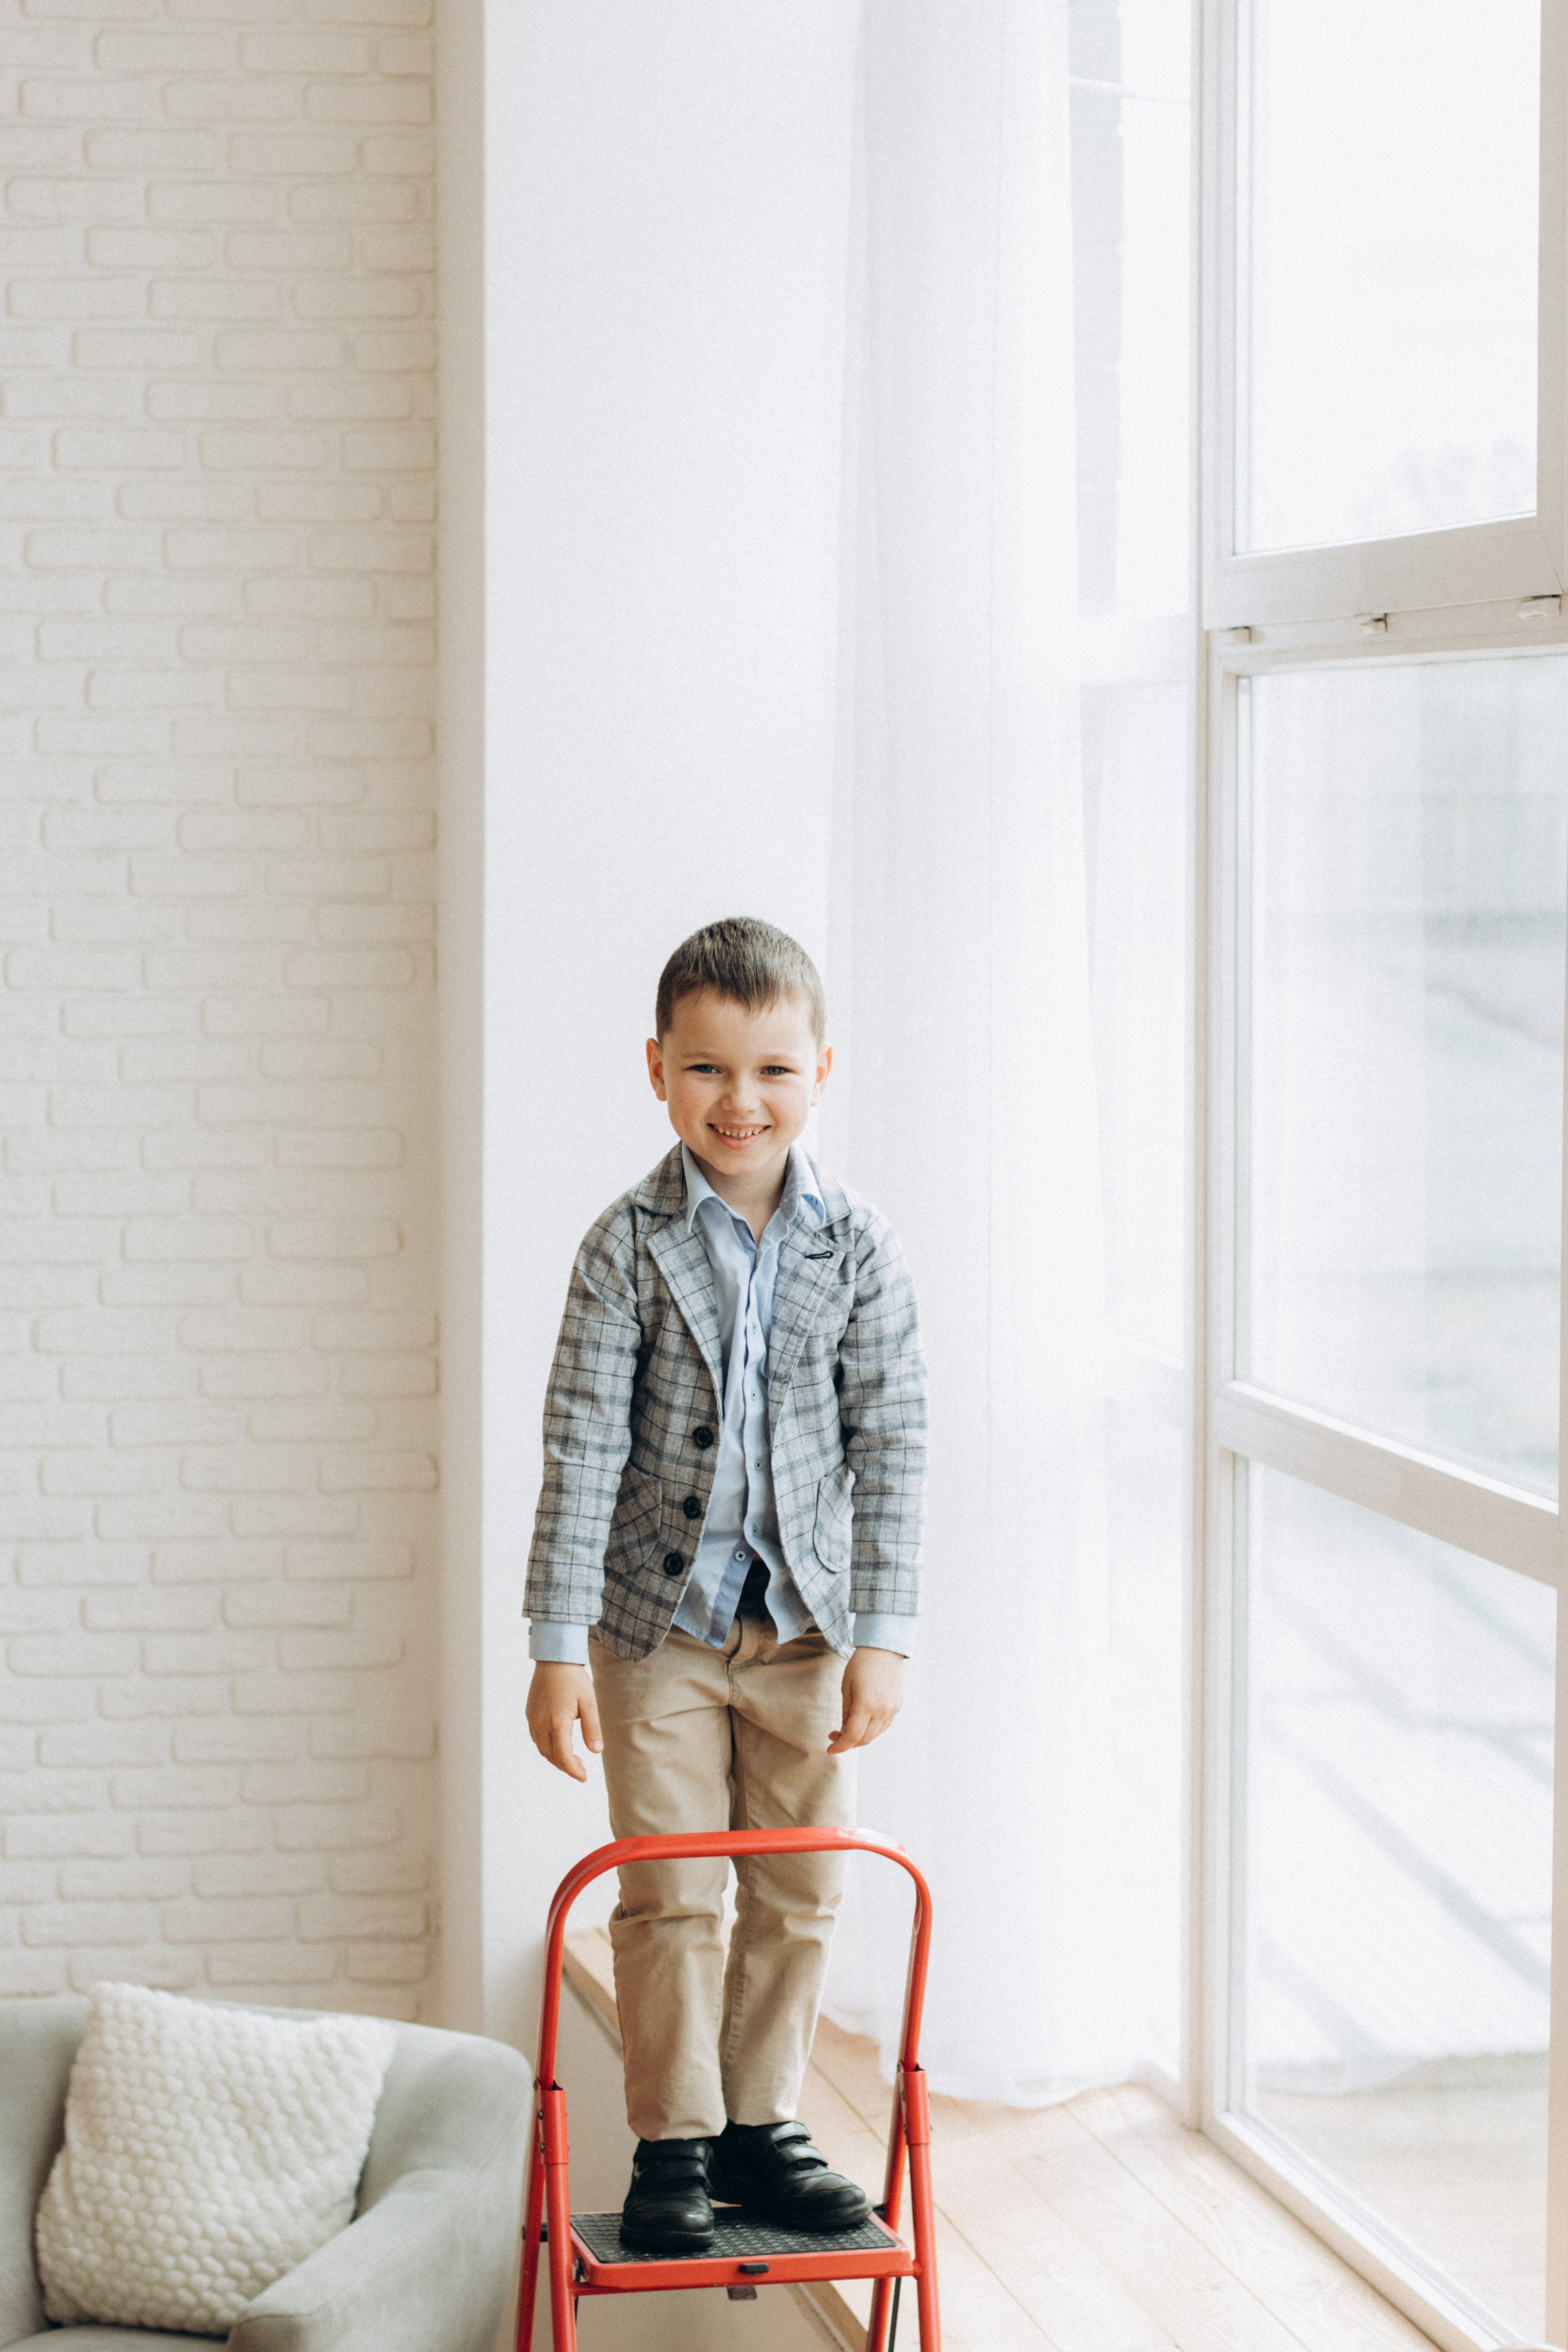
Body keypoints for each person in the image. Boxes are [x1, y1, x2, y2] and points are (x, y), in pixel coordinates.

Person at [524, 914, 927, 2254]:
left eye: (769, 1070)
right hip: (657, 1632)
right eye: (706, 1070)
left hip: (806, 1633)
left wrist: (882, 1635)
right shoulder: (623, 1245)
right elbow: (580, 1446)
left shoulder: (856, 1244)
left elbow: (892, 1439)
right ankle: (674, 2145)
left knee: (803, 1886)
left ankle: (761, 2127)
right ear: (656, 1068)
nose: (737, 1101)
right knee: (673, 1890)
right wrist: (554, 1645)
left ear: (821, 1071)